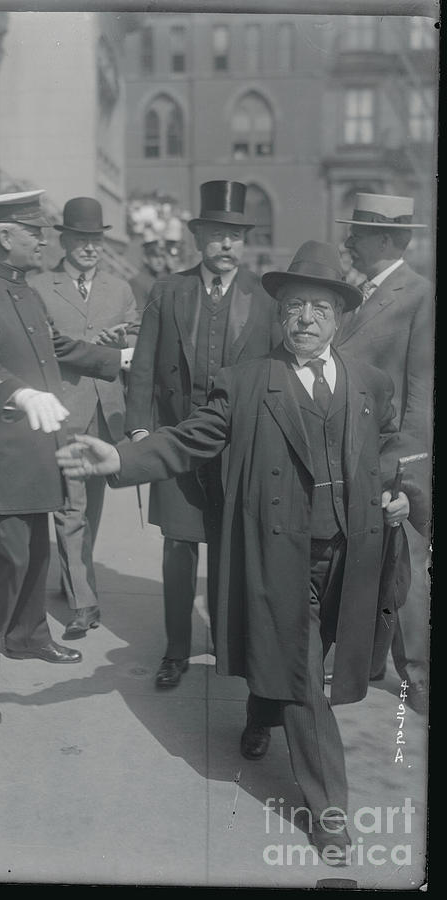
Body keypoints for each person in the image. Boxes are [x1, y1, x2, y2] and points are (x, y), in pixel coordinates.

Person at [56, 240, 422, 864]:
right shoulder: (246, 382)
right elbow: (192, 438)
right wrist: (121, 458)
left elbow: (385, 447)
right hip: (280, 556)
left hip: (351, 555)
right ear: (281, 316)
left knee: (307, 655)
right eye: (294, 308)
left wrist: (395, 493)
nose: (305, 320)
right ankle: (330, 809)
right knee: (306, 677)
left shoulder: (369, 383)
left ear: (340, 318)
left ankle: (259, 713)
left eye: (319, 309)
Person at [0, 190, 133, 725]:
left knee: (36, 548)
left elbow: (59, 347)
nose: (46, 240)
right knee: (8, 561)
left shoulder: (23, 292)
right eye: (36, 233)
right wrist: (19, 393)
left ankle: (26, 636)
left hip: (33, 452)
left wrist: (119, 358)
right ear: (5, 238)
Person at [124, 180, 280, 689]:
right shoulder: (169, 289)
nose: (226, 244)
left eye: (235, 235)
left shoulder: (264, 295)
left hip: (238, 444)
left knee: (230, 544)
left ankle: (227, 642)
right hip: (176, 438)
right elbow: (144, 362)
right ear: (199, 237)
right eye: (216, 234)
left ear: (245, 240)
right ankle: (175, 649)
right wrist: (141, 428)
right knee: (178, 544)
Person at [334, 192, 434, 714]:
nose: (350, 237)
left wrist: (410, 467)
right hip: (348, 449)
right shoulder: (357, 293)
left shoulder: (419, 296)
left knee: (406, 567)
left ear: (392, 240)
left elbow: (421, 391)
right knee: (363, 560)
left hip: (393, 454)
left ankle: (416, 677)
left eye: (361, 231)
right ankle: (367, 661)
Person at [30, 197, 140, 638]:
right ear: (65, 240)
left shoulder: (120, 289)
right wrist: (107, 351)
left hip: (108, 412)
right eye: (81, 239)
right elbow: (49, 345)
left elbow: (135, 337)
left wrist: (121, 337)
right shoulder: (41, 286)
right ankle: (84, 603)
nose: (90, 248)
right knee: (70, 508)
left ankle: (70, 578)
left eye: (96, 240)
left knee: (89, 509)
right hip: (66, 409)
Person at [129, 230, 168, 313]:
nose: (160, 261)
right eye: (155, 257)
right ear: (146, 259)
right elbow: (139, 314)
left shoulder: (167, 279)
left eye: (162, 257)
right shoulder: (137, 282)